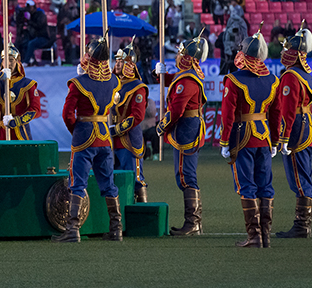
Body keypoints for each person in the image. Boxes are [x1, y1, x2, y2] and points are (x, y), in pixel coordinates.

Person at [54, 36, 123, 243]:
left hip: (84, 134)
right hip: (104, 134)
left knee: (78, 183)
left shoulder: (78, 83)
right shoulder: (113, 80)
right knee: (108, 183)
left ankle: (73, 229)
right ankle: (116, 228)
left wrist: (76, 130)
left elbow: (67, 113)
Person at [219, 26, 281, 248]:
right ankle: (265, 236)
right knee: (265, 185)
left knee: (247, 185)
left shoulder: (234, 80)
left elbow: (228, 114)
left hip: (242, 136)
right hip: (263, 136)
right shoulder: (273, 80)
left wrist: (225, 141)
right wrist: (275, 140)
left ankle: (254, 236)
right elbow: (276, 114)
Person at [155, 33, 209, 236]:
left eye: (180, 53)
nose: (178, 56)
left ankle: (193, 222)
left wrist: (163, 125)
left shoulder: (187, 80)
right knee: (185, 174)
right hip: (189, 125)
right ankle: (194, 222)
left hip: (185, 126)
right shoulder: (187, 75)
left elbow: (177, 109)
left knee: (186, 175)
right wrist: (160, 76)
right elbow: (175, 80)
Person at [274, 25, 312, 239]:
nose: (284, 52)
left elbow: (288, 111)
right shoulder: (306, 73)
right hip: (308, 124)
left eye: (288, 49)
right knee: (304, 173)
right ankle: (303, 223)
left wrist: (283, 138)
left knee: (299, 177)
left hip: (297, 127)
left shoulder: (290, 76)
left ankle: (302, 225)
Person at [0, 43, 40, 141]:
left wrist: (17, 121)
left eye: (11, 60)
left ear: (18, 62)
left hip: (20, 131)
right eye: (5, 60)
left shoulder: (28, 84)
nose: (8, 64)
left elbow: (35, 109)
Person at [110, 41, 149, 203]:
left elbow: (138, 116)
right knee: (113, 179)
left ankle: (141, 214)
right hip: (111, 140)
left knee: (134, 178)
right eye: (116, 61)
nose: (117, 64)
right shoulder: (112, 83)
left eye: (121, 62)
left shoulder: (137, 87)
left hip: (128, 139)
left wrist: (117, 129)